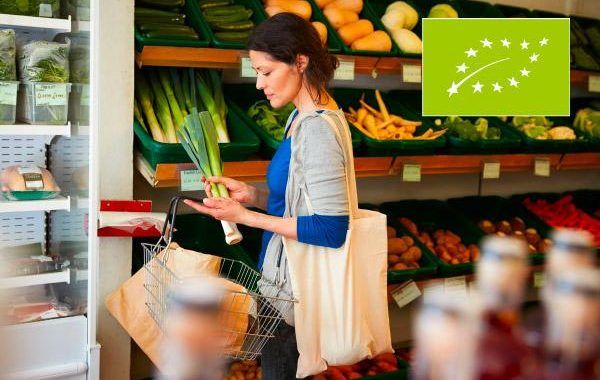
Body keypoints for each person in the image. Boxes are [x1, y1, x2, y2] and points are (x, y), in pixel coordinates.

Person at [183, 13, 352, 379]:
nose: (259, 84)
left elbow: (330, 228)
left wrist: (246, 218)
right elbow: (297, 201)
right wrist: (251, 196)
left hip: (296, 295)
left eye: (267, 71)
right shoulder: (300, 119)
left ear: (300, 62)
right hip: (282, 283)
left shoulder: (318, 129)